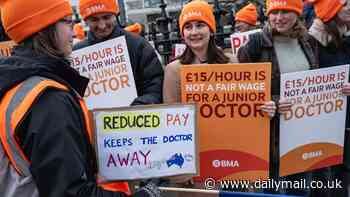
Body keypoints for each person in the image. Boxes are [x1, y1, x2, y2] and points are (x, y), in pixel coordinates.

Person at [0, 0, 160, 196]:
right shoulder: (49, 100)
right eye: (67, 22)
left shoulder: (16, 82)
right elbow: (72, 191)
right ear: (45, 28)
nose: (73, 31)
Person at [238, 0, 319, 195]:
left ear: (297, 14)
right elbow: (241, 91)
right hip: (270, 136)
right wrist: (274, 101)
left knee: (300, 190)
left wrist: (338, 89)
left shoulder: (309, 41)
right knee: (270, 191)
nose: (279, 18)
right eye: (274, 12)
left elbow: (317, 83)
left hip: (301, 132)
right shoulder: (256, 43)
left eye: (285, 12)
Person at [74, 0, 163, 105]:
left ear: (114, 15)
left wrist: (139, 106)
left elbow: (155, 86)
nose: (102, 25)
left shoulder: (138, 45)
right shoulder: (77, 53)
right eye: (94, 20)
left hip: (135, 117)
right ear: (86, 21)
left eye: (106, 17)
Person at [308, 0, 350, 196]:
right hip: (320, 123)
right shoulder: (311, 41)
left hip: (346, 121)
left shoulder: (346, 35)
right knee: (322, 175)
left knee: (343, 174)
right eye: (345, 3)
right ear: (331, 9)